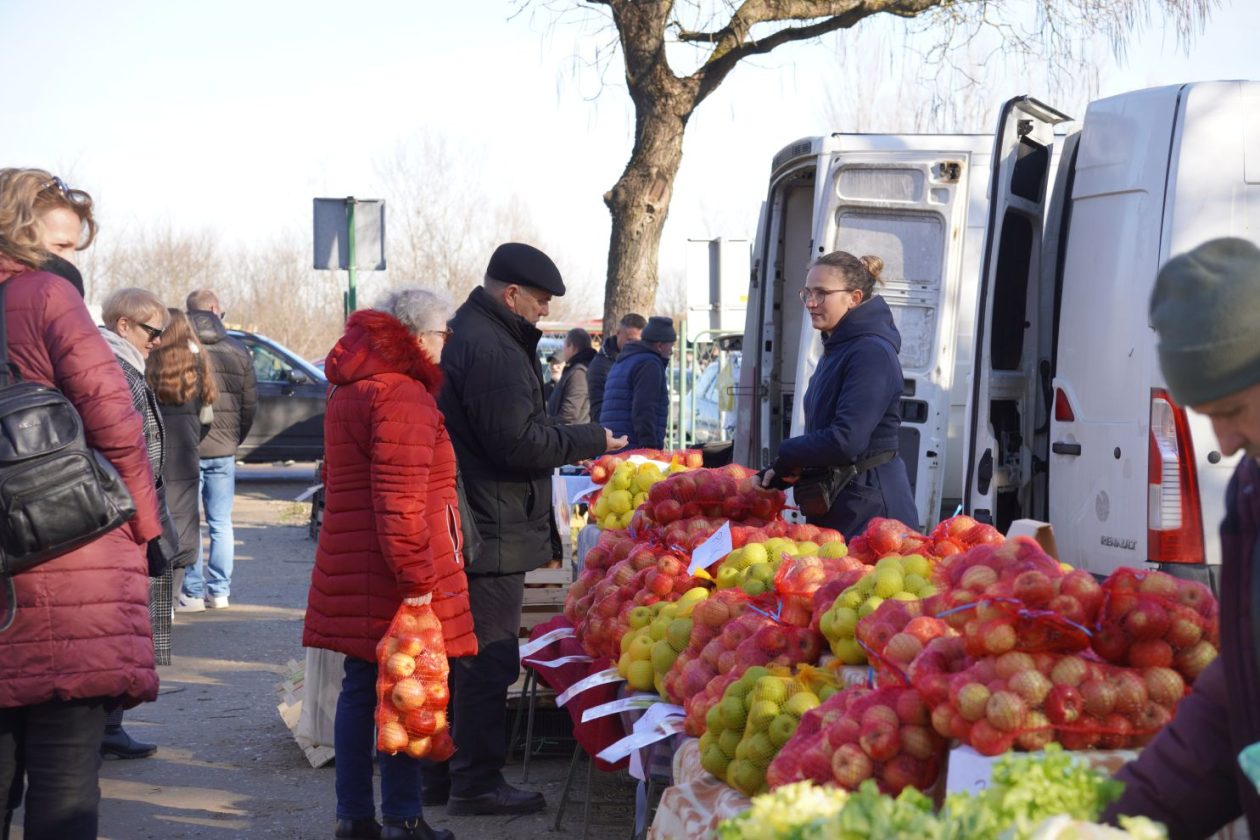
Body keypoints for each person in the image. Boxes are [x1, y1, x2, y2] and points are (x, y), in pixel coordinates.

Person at [426, 242, 624, 816]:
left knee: (461, 654)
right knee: (487, 656)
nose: (543, 312)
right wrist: (593, 439)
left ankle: (441, 775)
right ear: (511, 295)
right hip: (491, 523)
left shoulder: (476, 333)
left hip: (484, 516)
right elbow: (519, 442)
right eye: (539, 301)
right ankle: (476, 783)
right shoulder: (491, 347)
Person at [0, 168, 163, 839]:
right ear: (22, 233)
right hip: (67, 555)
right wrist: (148, 528)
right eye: (63, 246)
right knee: (65, 779)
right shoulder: (46, 295)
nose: (73, 265)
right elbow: (115, 421)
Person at [1099, 237, 1260, 838]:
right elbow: (1237, 687)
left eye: (1236, 407)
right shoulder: (1252, 487)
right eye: (1206, 412)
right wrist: (1121, 822)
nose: (1226, 437)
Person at [304, 289, 475, 840]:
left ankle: (355, 817)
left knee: (363, 686)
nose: (447, 340)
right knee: (407, 687)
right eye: (443, 331)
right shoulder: (402, 395)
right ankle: (402, 816)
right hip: (393, 566)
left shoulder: (352, 386)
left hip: (357, 558)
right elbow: (401, 500)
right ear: (418, 337)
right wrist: (418, 579)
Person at [756, 251, 917, 538]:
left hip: (872, 513)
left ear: (854, 298)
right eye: (807, 293)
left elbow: (845, 440)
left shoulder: (870, 353)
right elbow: (826, 432)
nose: (811, 303)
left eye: (822, 293)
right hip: (845, 499)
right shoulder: (838, 347)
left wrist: (788, 453)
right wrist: (782, 470)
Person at [98, 288, 175, 760]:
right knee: (121, 625)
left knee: (126, 626)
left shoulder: (122, 365)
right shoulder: (116, 369)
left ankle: (109, 725)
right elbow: (124, 451)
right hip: (124, 516)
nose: (158, 341)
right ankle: (105, 727)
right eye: (152, 331)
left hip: (133, 509)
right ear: (123, 325)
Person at [180, 289, 256, 611]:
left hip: (188, 449)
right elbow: (250, 404)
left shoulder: (179, 350)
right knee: (221, 522)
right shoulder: (237, 350)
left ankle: (193, 593)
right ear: (214, 309)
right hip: (223, 450)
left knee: (189, 521)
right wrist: (235, 439)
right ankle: (220, 592)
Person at [146, 309, 217, 594]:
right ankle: (176, 595)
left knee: (157, 513)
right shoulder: (196, 364)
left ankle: (156, 590)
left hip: (154, 448)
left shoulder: (147, 362)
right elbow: (207, 415)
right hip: (187, 451)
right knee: (186, 518)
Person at [599, 315, 676, 450]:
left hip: (614, 446)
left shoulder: (623, 360)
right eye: (671, 345)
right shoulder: (649, 364)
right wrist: (650, 449)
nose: (671, 350)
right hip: (633, 452)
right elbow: (644, 410)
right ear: (659, 345)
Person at [588, 312, 645, 422]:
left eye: (638, 342)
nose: (634, 345)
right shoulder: (600, 366)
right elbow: (598, 410)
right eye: (630, 340)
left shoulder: (642, 361)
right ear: (618, 333)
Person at [547, 327, 596, 423]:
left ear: (573, 347)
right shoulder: (576, 369)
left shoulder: (579, 372)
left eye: (564, 346)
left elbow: (569, 414)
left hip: (572, 434)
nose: (563, 350)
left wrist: (545, 424)